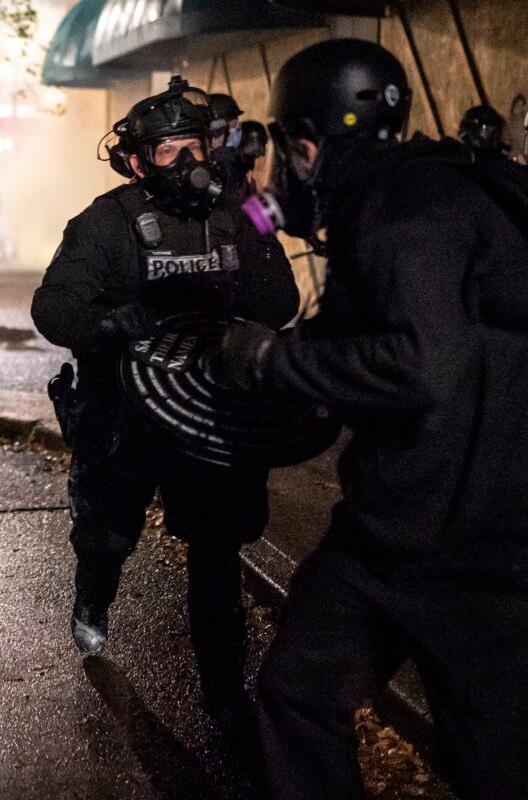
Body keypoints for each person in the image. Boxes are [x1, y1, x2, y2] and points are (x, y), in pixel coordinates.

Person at [225, 39, 528, 799]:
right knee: (298, 691)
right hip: (404, 531)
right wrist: (303, 350)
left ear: (304, 144)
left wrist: (270, 360)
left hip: (464, 553)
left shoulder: (399, 212)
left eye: (284, 157)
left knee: (493, 763)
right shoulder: (432, 190)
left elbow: (418, 363)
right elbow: (379, 321)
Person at [31, 76, 298, 727]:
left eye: (194, 148)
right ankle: (93, 598)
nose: (185, 164)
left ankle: (223, 692)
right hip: (125, 417)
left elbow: (282, 301)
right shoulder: (106, 222)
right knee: (108, 534)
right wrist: (115, 322)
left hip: (207, 416)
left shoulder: (241, 213)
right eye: (167, 152)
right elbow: (54, 305)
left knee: (216, 551)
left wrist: (246, 255)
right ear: (137, 160)